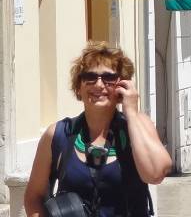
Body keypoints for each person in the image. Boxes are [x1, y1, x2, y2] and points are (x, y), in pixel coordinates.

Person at [24, 42, 171, 217]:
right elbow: (34, 197)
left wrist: (131, 112)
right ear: (78, 86)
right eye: (90, 77)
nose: (99, 85)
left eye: (109, 78)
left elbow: (155, 174)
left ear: (122, 85)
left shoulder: (138, 126)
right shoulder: (59, 134)